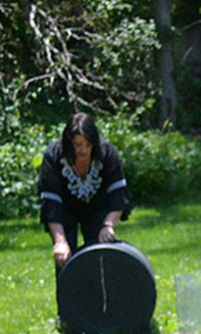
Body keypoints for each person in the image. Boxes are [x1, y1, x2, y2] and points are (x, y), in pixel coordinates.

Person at [37, 112, 132, 269]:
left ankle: (100, 293)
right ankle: (68, 292)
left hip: (97, 207)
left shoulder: (107, 154)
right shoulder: (53, 157)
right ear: (69, 144)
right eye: (78, 145)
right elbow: (51, 203)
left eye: (88, 145)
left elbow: (118, 195)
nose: (84, 151)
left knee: (100, 259)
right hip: (64, 210)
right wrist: (60, 242)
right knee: (65, 259)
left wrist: (108, 226)